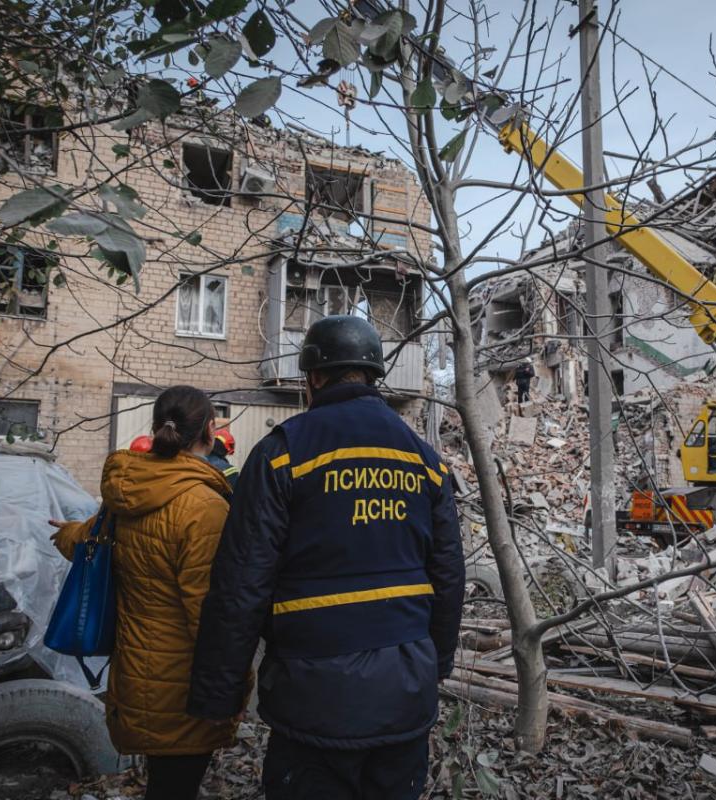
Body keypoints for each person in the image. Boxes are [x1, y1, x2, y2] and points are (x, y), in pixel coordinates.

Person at [188, 315, 465, 800]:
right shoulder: (425, 461)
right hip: (405, 692)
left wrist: (219, 693)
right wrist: (434, 665)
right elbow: (448, 576)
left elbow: (241, 584)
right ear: (374, 376)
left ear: (313, 377)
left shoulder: (281, 453)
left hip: (312, 698)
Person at [51, 386, 236, 800]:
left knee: (165, 785)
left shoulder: (128, 489)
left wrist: (66, 532)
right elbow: (210, 616)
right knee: (176, 786)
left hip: (134, 674)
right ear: (210, 430)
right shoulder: (205, 507)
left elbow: (89, 541)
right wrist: (232, 690)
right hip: (182, 687)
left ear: (157, 428)